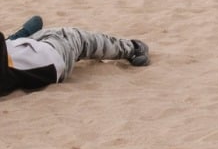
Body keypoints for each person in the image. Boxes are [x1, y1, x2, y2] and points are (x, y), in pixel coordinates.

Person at [1, 21, 149, 94]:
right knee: (80, 38)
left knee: (32, 30)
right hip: (54, 54)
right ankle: (132, 48)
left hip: (19, 51)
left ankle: (19, 36)